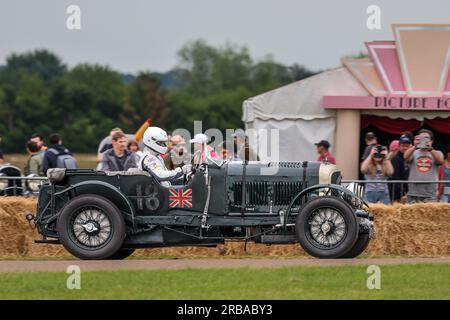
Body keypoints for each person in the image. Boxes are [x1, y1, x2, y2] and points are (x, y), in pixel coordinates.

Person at [404, 129, 444, 203]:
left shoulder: (437, 152)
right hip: (414, 192)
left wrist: (430, 149)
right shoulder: (414, 152)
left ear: (431, 141)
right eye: (421, 138)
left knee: (430, 214)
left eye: (426, 138)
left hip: (430, 193)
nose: (423, 140)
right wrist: (415, 146)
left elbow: (440, 161)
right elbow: (405, 157)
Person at [389, 135, 411, 202]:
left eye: (407, 146)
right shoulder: (396, 159)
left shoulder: (410, 158)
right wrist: (403, 194)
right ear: (398, 147)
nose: (405, 148)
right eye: (403, 146)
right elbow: (396, 179)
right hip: (397, 194)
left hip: (407, 193)